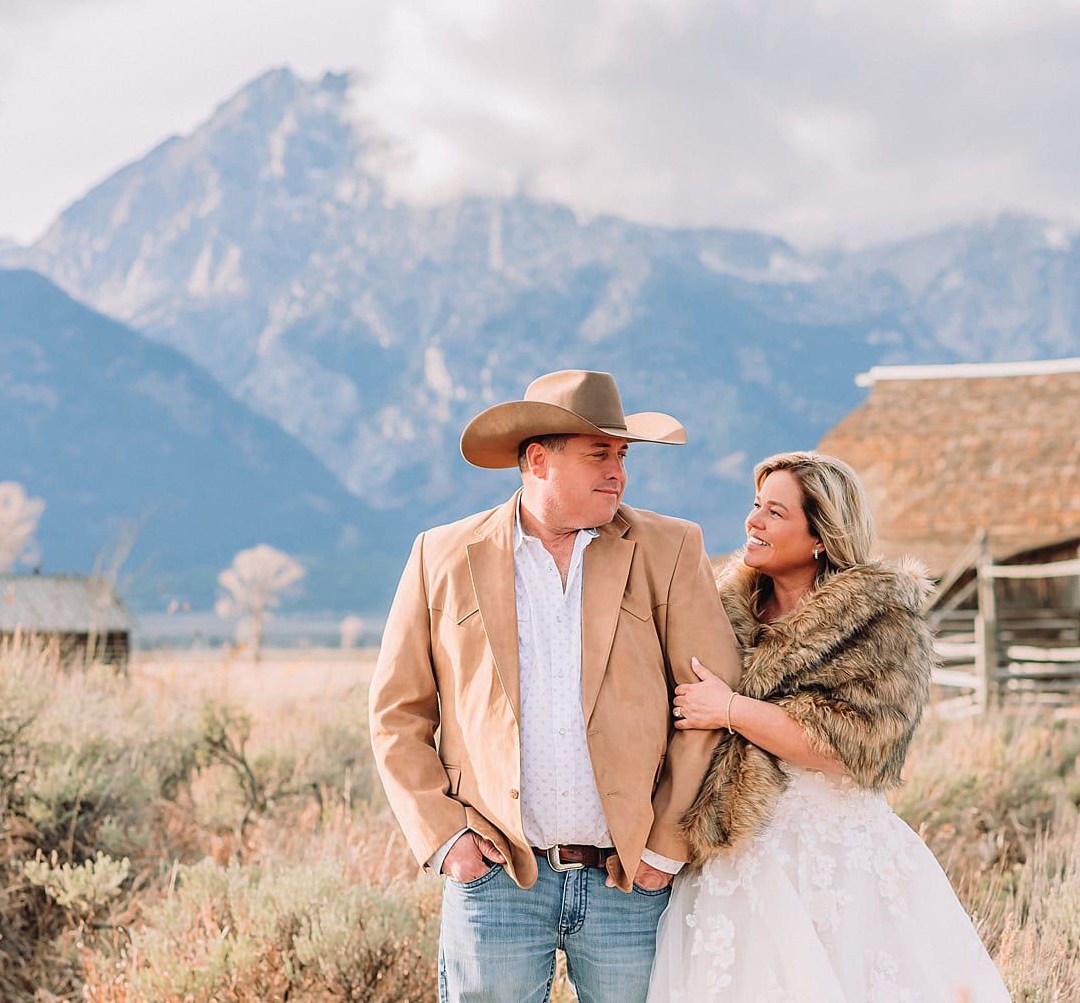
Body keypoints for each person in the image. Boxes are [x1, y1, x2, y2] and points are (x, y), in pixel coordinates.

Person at [368, 369, 742, 1003]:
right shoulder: (441, 554)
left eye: (622, 456)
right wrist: (445, 838)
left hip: (632, 881)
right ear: (537, 460)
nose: (618, 473)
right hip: (497, 880)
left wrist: (666, 847)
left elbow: (710, 702)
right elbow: (396, 714)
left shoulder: (671, 548)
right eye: (600, 455)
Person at [647, 451, 1011, 1002]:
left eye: (775, 512)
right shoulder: (722, 611)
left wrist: (731, 710)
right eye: (754, 506)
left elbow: (854, 747)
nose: (753, 521)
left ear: (821, 535)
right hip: (732, 850)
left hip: (835, 861)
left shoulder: (881, 624)